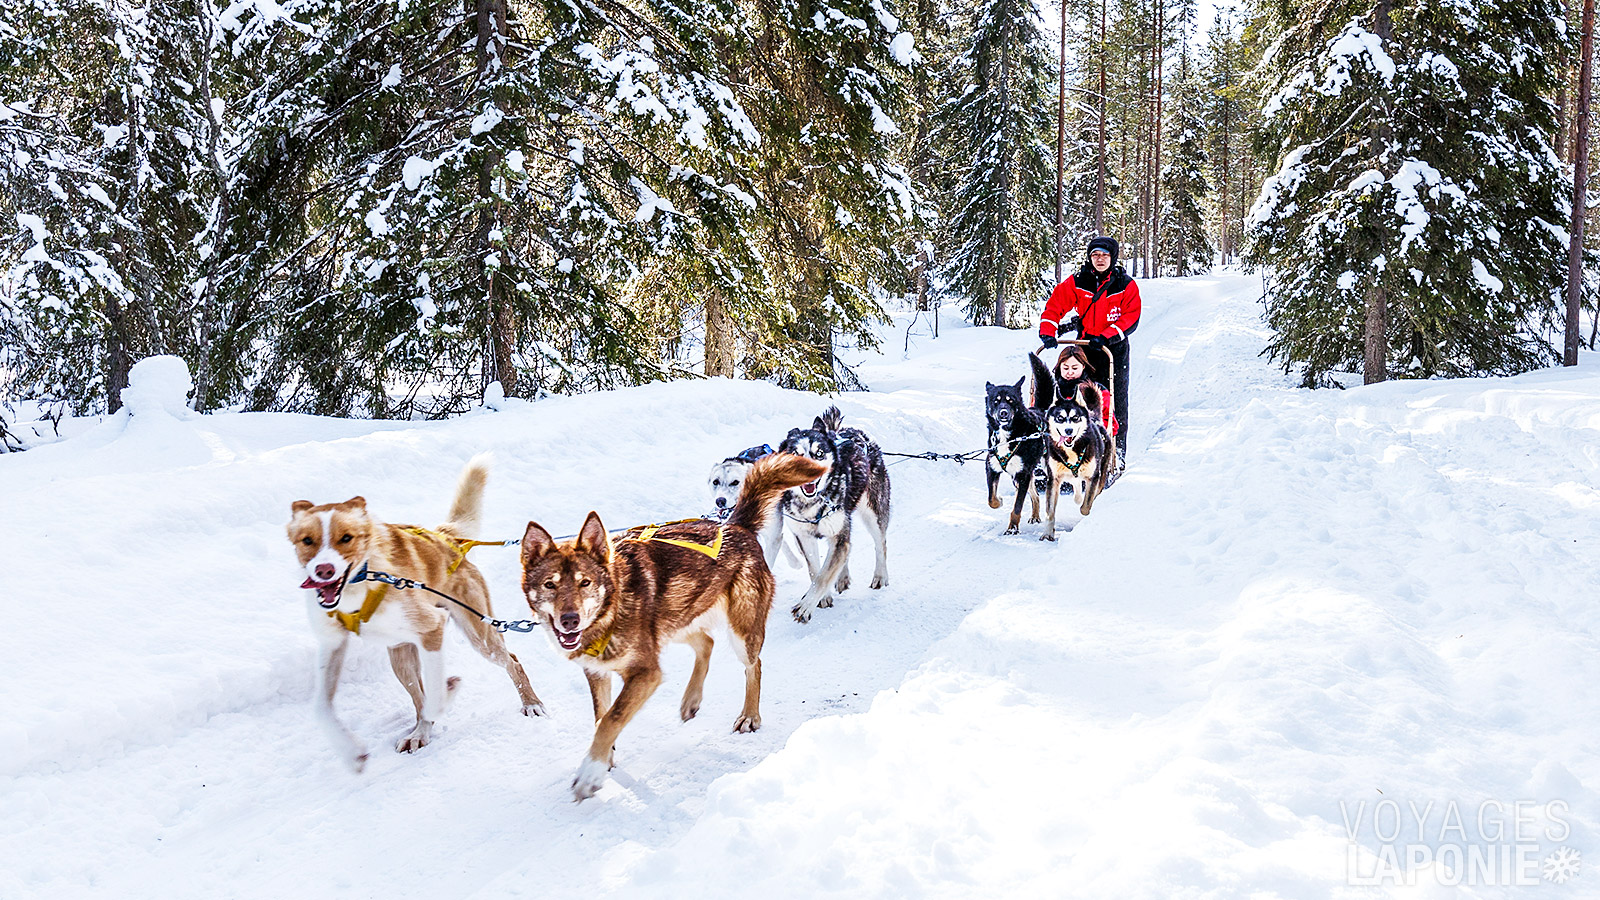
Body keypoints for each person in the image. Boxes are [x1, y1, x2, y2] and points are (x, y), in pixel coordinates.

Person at [1038, 235, 1140, 464]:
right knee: (1074, 396)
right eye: (1095, 255)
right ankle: (1069, 451)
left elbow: (1131, 317)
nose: (1100, 259)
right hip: (1084, 348)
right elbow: (1056, 305)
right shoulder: (1078, 280)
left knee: (1114, 399)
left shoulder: (1125, 284)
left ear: (1112, 257)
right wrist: (1048, 329)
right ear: (1089, 257)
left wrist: (1106, 336)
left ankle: (1116, 450)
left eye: (1104, 255)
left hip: (1112, 349)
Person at [1053, 344, 1116, 437]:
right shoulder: (1051, 390)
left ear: (1083, 366)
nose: (1070, 372)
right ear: (1059, 367)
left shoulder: (1097, 391)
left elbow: (1110, 423)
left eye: (1075, 368)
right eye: (1065, 368)